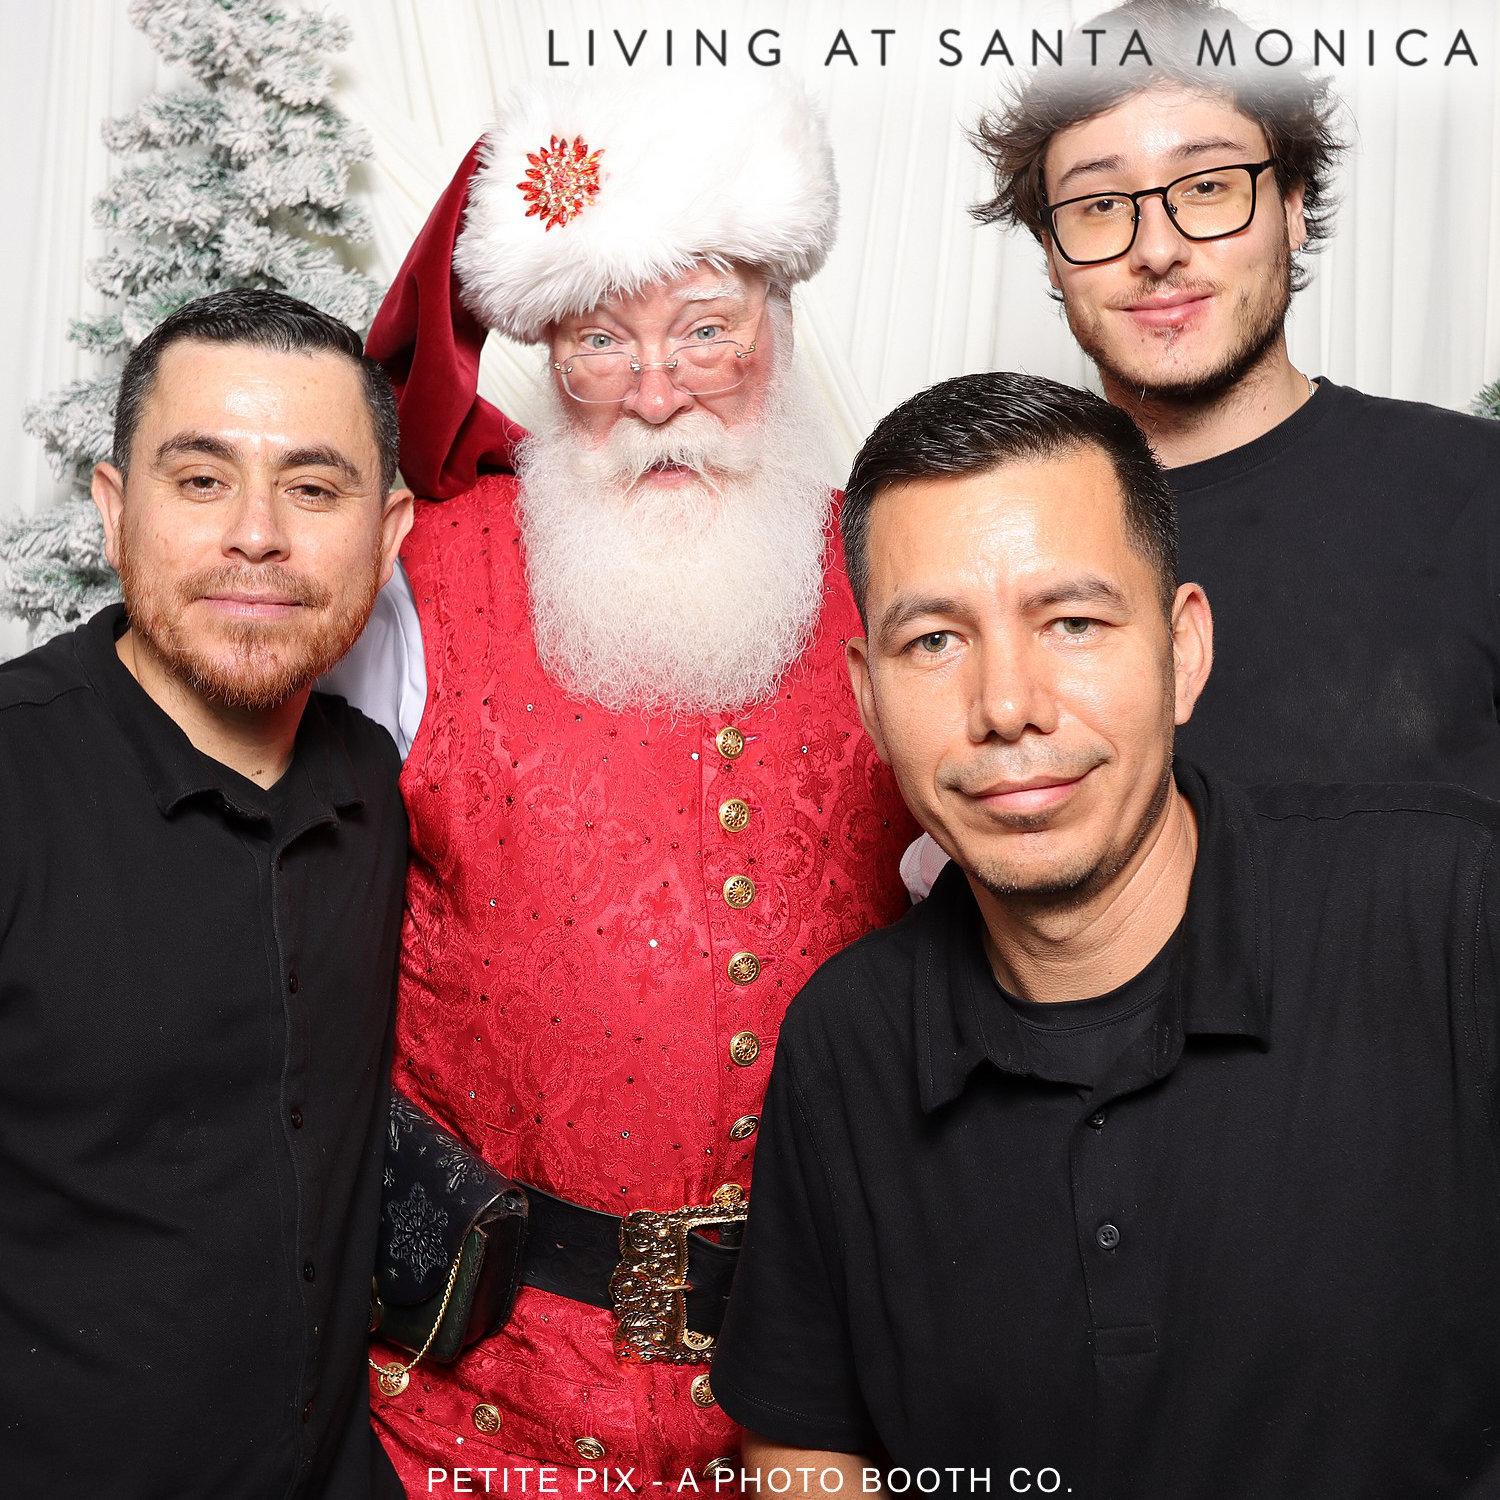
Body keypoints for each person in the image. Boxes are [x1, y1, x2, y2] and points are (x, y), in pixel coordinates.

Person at [712, 370, 1500, 1498]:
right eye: (934, 641)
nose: (1007, 706)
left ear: (1184, 652)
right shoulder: (847, 1041)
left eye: (1072, 623)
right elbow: (803, 1443)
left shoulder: (1453, 916)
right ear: (870, 697)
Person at [324, 79, 915, 1488]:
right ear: (546, 351)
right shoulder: (410, 582)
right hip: (467, 1417)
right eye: (602, 341)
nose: (658, 394)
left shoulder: (902, 576)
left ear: (779, 320)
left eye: (707, 329)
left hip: (824, 1409)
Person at [0, 289, 414, 1496]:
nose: (256, 536)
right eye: (199, 480)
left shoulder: (381, 790)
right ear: (114, 509)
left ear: (388, 533)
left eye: (314, 488)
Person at [967, 0, 1500, 795]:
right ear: (1050, 251)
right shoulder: (992, 538)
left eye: (1209, 186)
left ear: (1292, 207)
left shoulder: (1478, 489)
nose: (1157, 250)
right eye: (1100, 204)